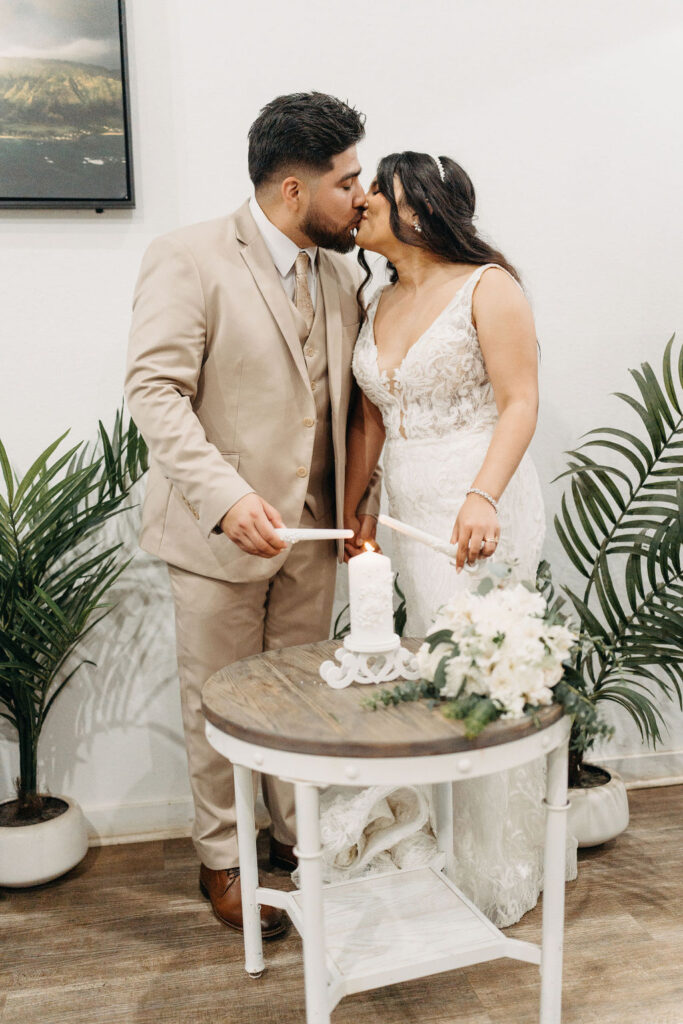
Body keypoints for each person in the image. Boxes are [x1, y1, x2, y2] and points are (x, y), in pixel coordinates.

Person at [124, 92, 380, 938]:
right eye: (347, 182)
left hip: (312, 538)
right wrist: (228, 498)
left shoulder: (341, 272)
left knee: (298, 703)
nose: (363, 196)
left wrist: (352, 513)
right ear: (294, 192)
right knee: (219, 705)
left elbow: (343, 411)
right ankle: (223, 860)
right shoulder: (187, 256)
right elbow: (153, 391)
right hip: (214, 536)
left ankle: (288, 842)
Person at [336, 151, 577, 927]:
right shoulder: (377, 298)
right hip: (409, 506)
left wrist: (483, 494)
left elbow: (518, 401)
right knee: (429, 666)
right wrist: (357, 509)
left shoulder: (488, 286)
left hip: (480, 503)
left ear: (418, 208)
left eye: (377, 188)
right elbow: (372, 417)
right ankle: (431, 843)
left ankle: (490, 865)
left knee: (478, 673)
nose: (362, 199)